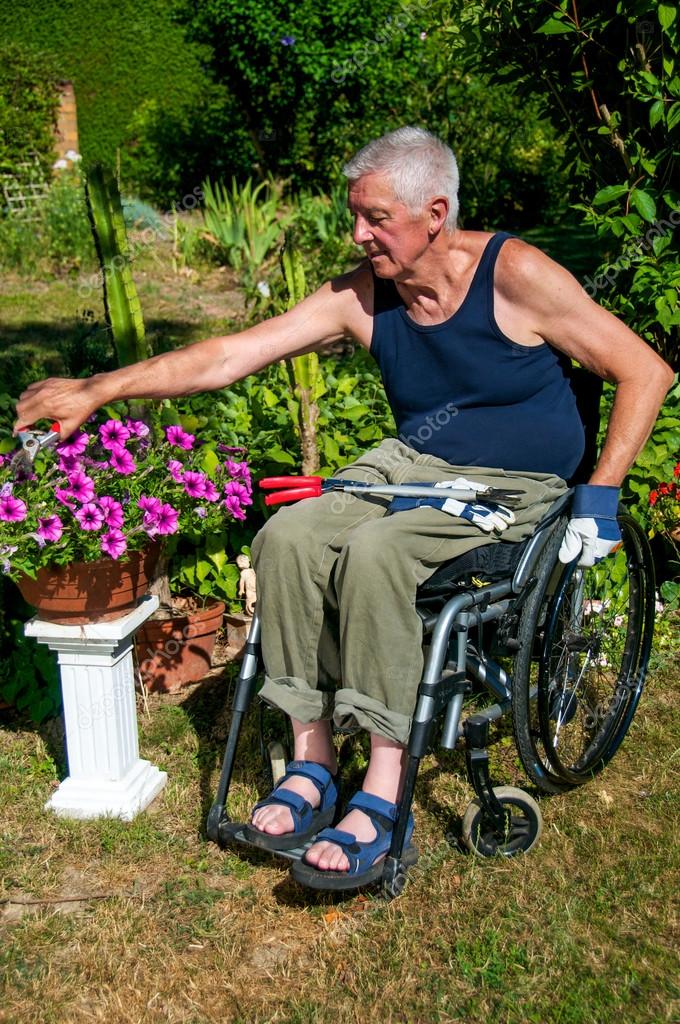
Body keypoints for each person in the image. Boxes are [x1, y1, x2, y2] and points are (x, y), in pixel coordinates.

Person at [15, 127, 673, 889]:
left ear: (434, 213)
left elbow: (643, 370)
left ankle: (385, 791)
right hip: (410, 466)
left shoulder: (514, 274)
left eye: (374, 219)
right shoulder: (366, 291)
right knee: (288, 537)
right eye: (355, 216)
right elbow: (232, 354)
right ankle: (313, 761)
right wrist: (101, 389)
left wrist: (600, 496)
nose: (357, 235)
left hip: (513, 483)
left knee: (377, 554)